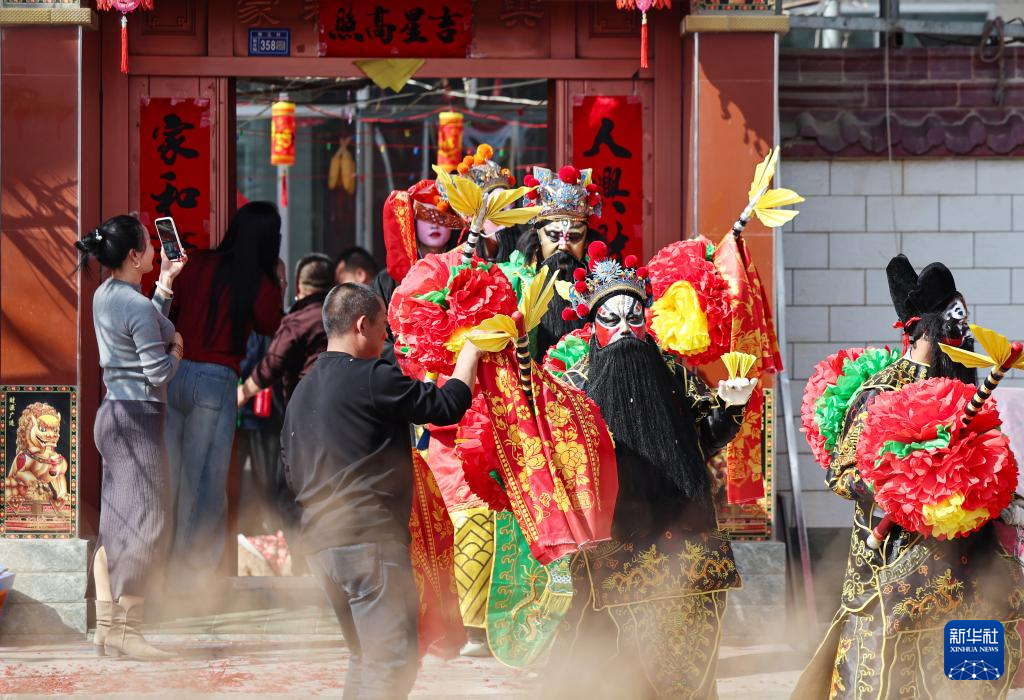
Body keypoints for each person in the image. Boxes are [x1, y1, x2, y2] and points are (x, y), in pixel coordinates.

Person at [793, 255, 1024, 699]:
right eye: (954, 323)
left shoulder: (967, 392)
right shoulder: (881, 392)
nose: (963, 334)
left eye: (965, 323)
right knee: (888, 683)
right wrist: (906, 489)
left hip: (971, 571)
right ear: (925, 329)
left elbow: (989, 461)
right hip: (895, 570)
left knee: (972, 683)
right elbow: (842, 473)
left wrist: (1003, 499)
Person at [545, 246, 756, 699]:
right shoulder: (575, 383)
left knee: (690, 648)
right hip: (614, 541)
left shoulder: (675, 373)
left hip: (684, 531)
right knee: (609, 653)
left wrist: (731, 409)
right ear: (593, 325)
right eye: (611, 319)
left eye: (633, 317)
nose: (625, 328)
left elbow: (705, 439)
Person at [282, 283, 482, 699]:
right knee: (391, 663)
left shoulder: (302, 390)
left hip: (321, 547)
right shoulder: (372, 376)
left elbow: (289, 468)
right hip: (368, 542)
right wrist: (471, 351)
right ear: (361, 325)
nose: (386, 337)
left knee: (365, 658)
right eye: (383, 327)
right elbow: (445, 407)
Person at [75, 215, 187, 659]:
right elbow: (157, 370)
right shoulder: (135, 305)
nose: (157, 250)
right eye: (149, 245)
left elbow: (145, 324)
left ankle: (107, 628)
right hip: (139, 418)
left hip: (113, 415)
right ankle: (128, 630)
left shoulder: (105, 295)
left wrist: (165, 284)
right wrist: (177, 349)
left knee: (117, 522)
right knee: (147, 521)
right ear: (135, 255)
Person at [165, 201, 283, 597]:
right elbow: (269, 324)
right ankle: (190, 582)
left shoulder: (199, 262)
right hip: (216, 381)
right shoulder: (260, 282)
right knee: (204, 483)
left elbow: (169, 307)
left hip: (175, 373)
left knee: (171, 477)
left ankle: (159, 573)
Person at [518, 165, 603, 359]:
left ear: (587, 242)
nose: (563, 246)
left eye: (574, 237)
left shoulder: (602, 289)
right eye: (554, 236)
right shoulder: (515, 283)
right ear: (538, 239)